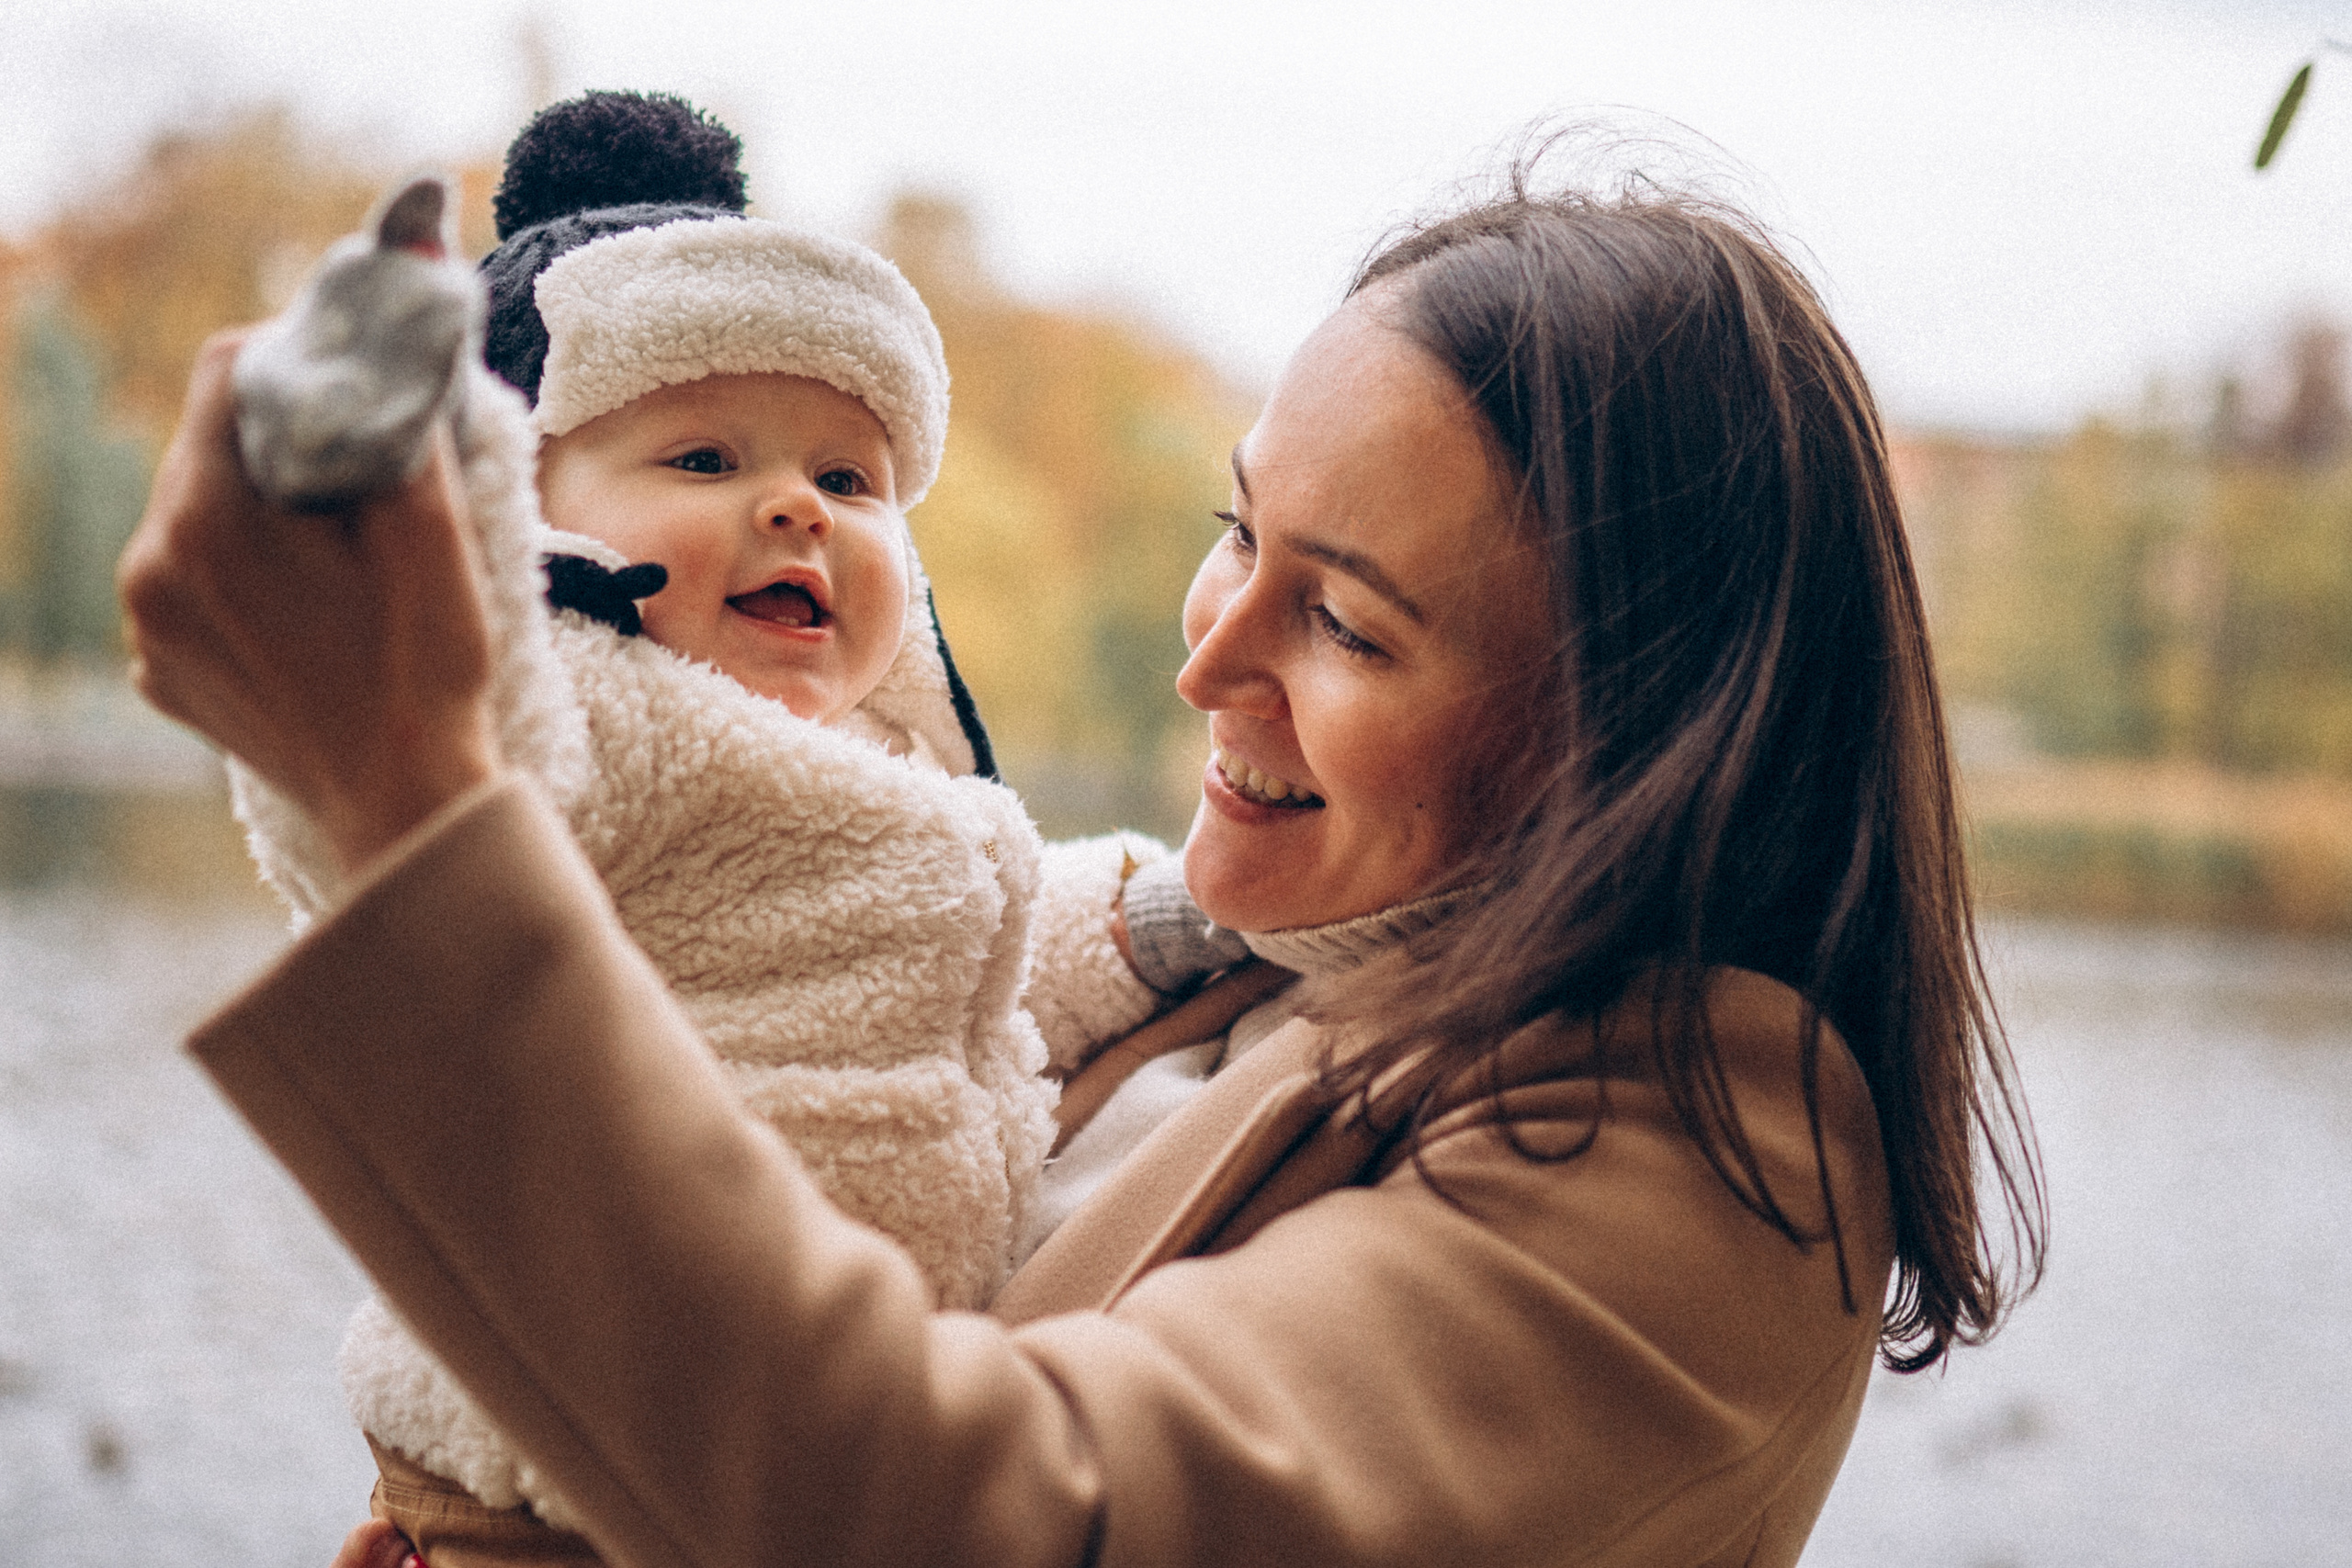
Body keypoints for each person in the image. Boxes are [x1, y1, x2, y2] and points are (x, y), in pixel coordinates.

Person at [120, 152, 2042, 1568]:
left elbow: (976, 1517)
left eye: (1347, 625)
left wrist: (415, 827)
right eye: (1237, 534)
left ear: (1635, 734)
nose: (1205, 653)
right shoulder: (1235, 958)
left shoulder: (1700, 1167)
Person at [223, 92, 1212, 1564]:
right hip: (563, 1482)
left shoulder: (879, 762)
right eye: (703, 462)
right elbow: (373, 834)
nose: (794, 511)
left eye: (846, 478)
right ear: (528, 520)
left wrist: (1157, 919)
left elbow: (980, 969)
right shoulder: (571, 709)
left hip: (791, 1440)